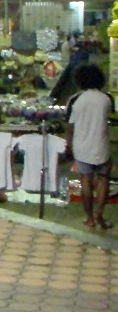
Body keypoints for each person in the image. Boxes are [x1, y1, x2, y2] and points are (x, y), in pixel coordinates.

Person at [66, 64, 114, 230]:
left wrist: (68, 146)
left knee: (86, 180)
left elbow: (70, 126)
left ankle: (89, 218)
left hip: (81, 146)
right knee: (103, 179)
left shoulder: (75, 100)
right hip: (101, 145)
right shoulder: (106, 98)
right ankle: (99, 212)